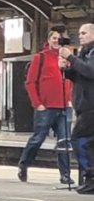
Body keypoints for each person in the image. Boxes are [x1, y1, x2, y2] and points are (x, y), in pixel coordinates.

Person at [17, 27, 74, 183]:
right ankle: (24, 164)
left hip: (64, 106)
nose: (57, 41)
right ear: (48, 40)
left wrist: (69, 99)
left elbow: (72, 80)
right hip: (46, 107)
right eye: (54, 38)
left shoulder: (69, 59)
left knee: (64, 141)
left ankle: (65, 175)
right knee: (38, 138)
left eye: (60, 38)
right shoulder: (40, 58)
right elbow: (30, 82)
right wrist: (37, 103)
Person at [60, 22, 94, 193]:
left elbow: (90, 72)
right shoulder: (84, 53)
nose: (80, 36)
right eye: (79, 33)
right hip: (84, 106)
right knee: (89, 143)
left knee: (79, 139)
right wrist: (67, 70)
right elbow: (81, 75)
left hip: (91, 107)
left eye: (84, 33)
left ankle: (91, 175)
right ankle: (90, 178)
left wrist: (71, 58)